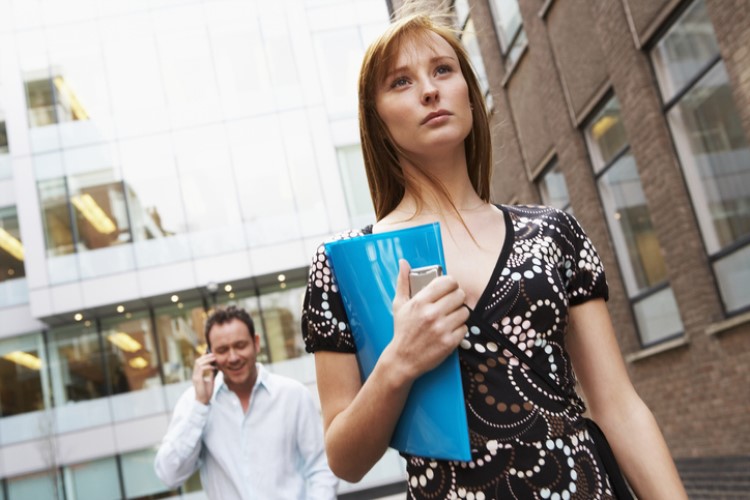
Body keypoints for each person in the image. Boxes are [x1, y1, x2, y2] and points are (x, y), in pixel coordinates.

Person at [301, 12, 688, 500]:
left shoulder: (552, 232)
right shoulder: (347, 266)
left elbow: (619, 406)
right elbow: (346, 460)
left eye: (443, 70)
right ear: (375, 118)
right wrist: (398, 363)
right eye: (401, 81)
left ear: (469, 92)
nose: (429, 90)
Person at [155, 305, 338, 499]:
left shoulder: (293, 395)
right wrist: (200, 406)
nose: (233, 357)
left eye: (240, 345)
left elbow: (321, 467)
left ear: (256, 343)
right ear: (210, 355)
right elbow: (169, 475)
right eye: (222, 350)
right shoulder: (194, 403)